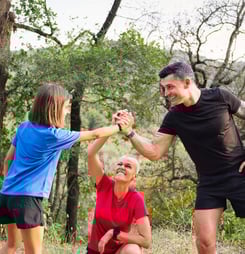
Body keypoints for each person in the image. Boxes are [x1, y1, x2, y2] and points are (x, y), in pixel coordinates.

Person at [117, 61, 245, 254]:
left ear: (187, 82)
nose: (166, 93)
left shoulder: (220, 96)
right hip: (209, 182)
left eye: (170, 87)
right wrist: (129, 132)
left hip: (240, 174)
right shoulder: (174, 116)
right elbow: (154, 151)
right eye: (163, 88)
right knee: (204, 242)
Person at [0, 83, 131, 254]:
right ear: (54, 108)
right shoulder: (54, 136)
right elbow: (95, 134)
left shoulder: (24, 127)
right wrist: (119, 126)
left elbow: (8, 161)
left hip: (7, 195)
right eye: (66, 107)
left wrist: (11, 183)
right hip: (28, 199)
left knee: (11, 245)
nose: (67, 111)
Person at [87, 112, 151, 254]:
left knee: (133, 250)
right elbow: (91, 153)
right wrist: (113, 127)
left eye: (128, 166)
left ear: (134, 178)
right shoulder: (104, 185)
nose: (122, 166)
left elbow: (146, 240)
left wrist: (114, 233)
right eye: (120, 164)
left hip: (119, 250)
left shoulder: (136, 199)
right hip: (95, 251)